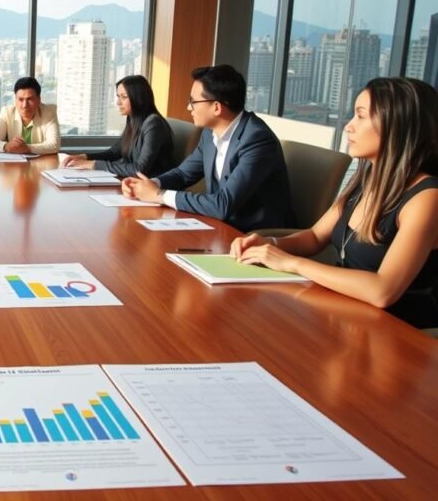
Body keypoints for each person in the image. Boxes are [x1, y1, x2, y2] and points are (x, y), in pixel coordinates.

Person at [231, 77, 438, 329]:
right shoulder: (368, 177)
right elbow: (315, 237)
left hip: (399, 331)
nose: (348, 127)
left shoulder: (427, 197)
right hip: (348, 314)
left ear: (399, 126)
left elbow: (383, 291)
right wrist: (271, 244)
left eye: (361, 116)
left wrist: (292, 263)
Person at [122, 64, 294, 232]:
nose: (189, 107)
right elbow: (183, 174)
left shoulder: (257, 140)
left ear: (217, 107)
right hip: (220, 227)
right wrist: (150, 184)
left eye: (193, 102)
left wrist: (159, 195)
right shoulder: (209, 134)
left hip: (255, 236)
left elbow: (223, 204)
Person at [61, 75, 173, 177]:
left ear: (138, 98)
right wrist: (84, 157)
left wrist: (94, 165)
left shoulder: (154, 124)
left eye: (124, 97)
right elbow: (114, 152)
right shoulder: (133, 119)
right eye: (118, 96)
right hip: (133, 182)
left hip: (151, 187)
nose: (118, 103)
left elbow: (139, 169)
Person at [0, 77, 61, 155]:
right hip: (14, 165)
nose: (25, 105)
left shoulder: (49, 112)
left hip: (40, 164)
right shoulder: (7, 112)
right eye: (20, 99)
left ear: (39, 99)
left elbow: (54, 145)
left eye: (30, 99)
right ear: (15, 99)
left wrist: (27, 148)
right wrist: (6, 146)